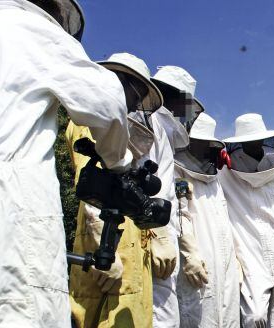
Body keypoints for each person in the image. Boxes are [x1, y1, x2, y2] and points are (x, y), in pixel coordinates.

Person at [0, 0, 132, 327]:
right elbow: (107, 102)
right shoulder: (31, 29)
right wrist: (118, 161)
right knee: (25, 315)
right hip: (7, 199)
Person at [68, 53, 176, 328]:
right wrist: (104, 251)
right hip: (105, 247)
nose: (135, 102)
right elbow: (93, 187)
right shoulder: (89, 119)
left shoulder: (122, 128)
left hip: (131, 244)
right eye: (134, 92)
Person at [219, 113, 274, 328]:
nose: (254, 144)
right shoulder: (225, 173)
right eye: (249, 141)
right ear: (240, 143)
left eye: (256, 139)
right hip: (248, 251)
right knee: (254, 315)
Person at [174, 112, 241, 327]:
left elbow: (224, 223)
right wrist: (189, 254)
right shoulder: (176, 173)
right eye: (197, 143)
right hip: (197, 263)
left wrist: (235, 260)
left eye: (205, 144)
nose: (201, 149)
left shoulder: (215, 182)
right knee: (199, 316)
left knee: (229, 318)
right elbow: (180, 215)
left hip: (225, 263)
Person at [148, 65, 202, 328]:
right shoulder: (151, 124)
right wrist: (157, 234)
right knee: (161, 318)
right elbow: (145, 183)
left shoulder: (163, 131)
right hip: (150, 239)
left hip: (162, 240)